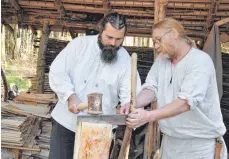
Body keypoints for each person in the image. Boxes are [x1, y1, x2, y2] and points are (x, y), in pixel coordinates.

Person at [121, 18, 228, 159]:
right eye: (154, 42)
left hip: (199, 147)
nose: (156, 46)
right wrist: (133, 103)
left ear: (173, 34)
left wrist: (148, 116)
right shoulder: (162, 60)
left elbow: (185, 103)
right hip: (170, 143)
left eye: (158, 40)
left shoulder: (200, 61)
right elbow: (151, 88)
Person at [48, 12, 141, 159]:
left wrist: (128, 103)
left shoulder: (125, 60)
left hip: (100, 130)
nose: (113, 43)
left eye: (118, 39)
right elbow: (57, 72)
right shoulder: (79, 45)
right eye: (109, 37)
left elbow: (131, 90)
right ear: (100, 30)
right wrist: (70, 96)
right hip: (67, 123)